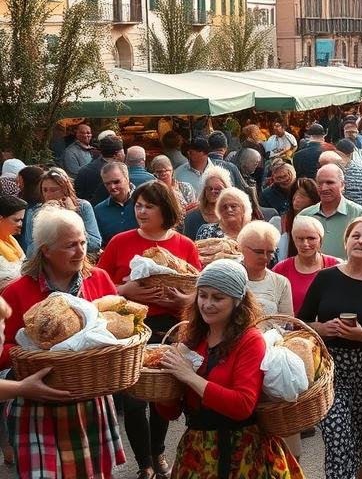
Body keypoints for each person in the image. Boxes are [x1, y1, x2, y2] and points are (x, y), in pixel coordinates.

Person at [0, 207, 127, 477]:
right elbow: (2, 351)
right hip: (36, 402)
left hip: (91, 399)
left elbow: (120, 333)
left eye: (83, 242)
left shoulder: (99, 280)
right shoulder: (16, 292)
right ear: (46, 250)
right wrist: (36, 353)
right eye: (70, 245)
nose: (81, 252)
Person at [154, 259, 303, 478]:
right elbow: (171, 412)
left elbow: (243, 405)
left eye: (218, 298)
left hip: (243, 452)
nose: (207, 304)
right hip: (196, 451)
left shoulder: (250, 340)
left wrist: (189, 376)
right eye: (202, 295)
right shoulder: (192, 337)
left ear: (237, 301)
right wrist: (162, 390)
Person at [98, 181, 202, 479]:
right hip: (130, 330)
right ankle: (144, 462)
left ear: (165, 210)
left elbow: (199, 290)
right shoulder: (120, 242)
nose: (141, 211)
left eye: (149, 206)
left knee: (162, 397)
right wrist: (126, 290)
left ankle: (158, 451)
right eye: (138, 205)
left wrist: (183, 301)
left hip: (169, 329)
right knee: (133, 401)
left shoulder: (184, 245)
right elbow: (99, 287)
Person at [298, 216, 362, 479]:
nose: (361, 241)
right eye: (356, 236)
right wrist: (321, 329)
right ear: (346, 241)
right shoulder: (326, 278)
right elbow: (301, 321)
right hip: (334, 371)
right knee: (338, 439)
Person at [273, 216, 341, 315]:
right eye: (300, 239)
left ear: (321, 240)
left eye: (311, 238)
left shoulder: (336, 266)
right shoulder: (281, 269)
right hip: (291, 324)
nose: (305, 244)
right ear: (294, 240)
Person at [300, 164, 362, 258]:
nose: (324, 188)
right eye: (320, 183)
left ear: (342, 185)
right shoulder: (305, 216)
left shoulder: (359, 215)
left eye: (330, 183)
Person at [31, 167, 101, 256]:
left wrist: (71, 215)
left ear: (65, 190)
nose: (48, 195)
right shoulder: (35, 211)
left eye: (53, 190)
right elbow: (31, 250)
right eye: (44, 190)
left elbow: (95, 244)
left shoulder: (82, 206)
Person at [239, 220, 293, 315]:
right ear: (242, 248)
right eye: (259, 252)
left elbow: (287, 320)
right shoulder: (229, 276)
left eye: (270, 252)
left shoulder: (281, 283)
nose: (264, 257)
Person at [182, 166, 232, 240]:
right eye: (210, 188)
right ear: (205, 191)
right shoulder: (192, 217)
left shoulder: (233, 216)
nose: (213, 191)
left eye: (218, 189)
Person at [93, 161, 136, 243]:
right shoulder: (99, 210)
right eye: (107, 184)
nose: (112, 187)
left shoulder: (143, 202)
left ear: (127, 178)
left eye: (116, 182)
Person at [0, 195, 24, 290]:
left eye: (22, 220)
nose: (20, 224)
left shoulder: (11, 239)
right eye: (17, 220)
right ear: (1, 219)